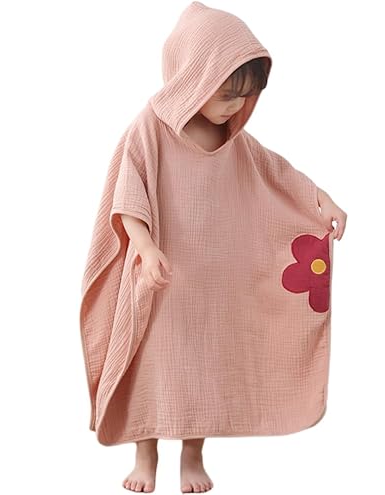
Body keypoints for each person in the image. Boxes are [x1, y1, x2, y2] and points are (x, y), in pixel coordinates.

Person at [79, 2, 347, 493]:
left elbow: (278, 174)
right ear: (193, 78)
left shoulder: (232, 139)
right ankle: (146, 453)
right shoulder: (151, 129)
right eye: (225, 95)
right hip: (160, 280)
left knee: (202, 368)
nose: (233, 107)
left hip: (211, 286)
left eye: (244, 97)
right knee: (153, 366)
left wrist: (320, 199)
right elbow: (127, 194)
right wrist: (145, 246)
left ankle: (193, 455)